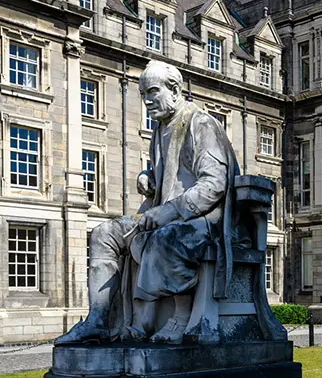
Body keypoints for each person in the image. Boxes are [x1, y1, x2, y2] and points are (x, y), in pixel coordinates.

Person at [56, 61, 241, 345]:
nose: (147, 101)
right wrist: (148, 177)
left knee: (164, 238)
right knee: (104, 233)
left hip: (205, 220)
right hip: (165, 215)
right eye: (143, 95)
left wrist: (168, 211)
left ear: (175, 90)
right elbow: (169, 177)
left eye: (152, 92)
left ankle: (181, 316)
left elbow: (214, 184)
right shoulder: (160, 130)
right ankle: (98, 320)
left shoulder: (200, 123)